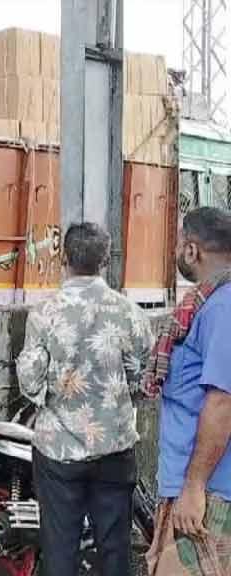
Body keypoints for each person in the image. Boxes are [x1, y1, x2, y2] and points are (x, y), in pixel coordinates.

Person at [16, 223, 154, 576]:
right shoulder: (130, 313)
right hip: (115, 447)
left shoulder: (45, 312)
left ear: (64, 258)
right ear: (105, 260)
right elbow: (144, 378)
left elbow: (30, 381)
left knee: (60, 547)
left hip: (59, 450)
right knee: (115, 548)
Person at [145, 206, 231, 575]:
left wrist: (194, 487)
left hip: (208, 494)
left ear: (192, 250)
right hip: (194, 486)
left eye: (180, 243)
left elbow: (222, 401)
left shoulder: (221, 309)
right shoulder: (209, 303)